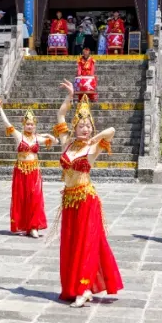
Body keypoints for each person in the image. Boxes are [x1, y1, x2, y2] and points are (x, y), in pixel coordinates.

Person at [53, 83, 122, 308]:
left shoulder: (94, 148)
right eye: (81, 125)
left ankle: (83, 289)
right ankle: (75, 286)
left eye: (88, 126)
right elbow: (60, 115)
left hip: (86, 200)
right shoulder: (67, 143)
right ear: (74, 127)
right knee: (71, 245)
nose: (85, 129)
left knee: (86, 244)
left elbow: (112, 130)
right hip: (69, 201)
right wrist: (70, 96)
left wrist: (96, 137)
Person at [0, 102, 56, 237]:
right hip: (21, 171)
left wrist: (48, 134)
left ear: (35, 126)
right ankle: (24, 225)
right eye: (28, 124)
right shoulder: (19, 136)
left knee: (35, 198)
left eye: (32, 124)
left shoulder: (37, 138)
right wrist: (0, 108)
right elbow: (7, 124)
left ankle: (34, 226)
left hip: (34, 172)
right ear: (24, 124)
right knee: (22, 198)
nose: (30, 126)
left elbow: (55, 142)